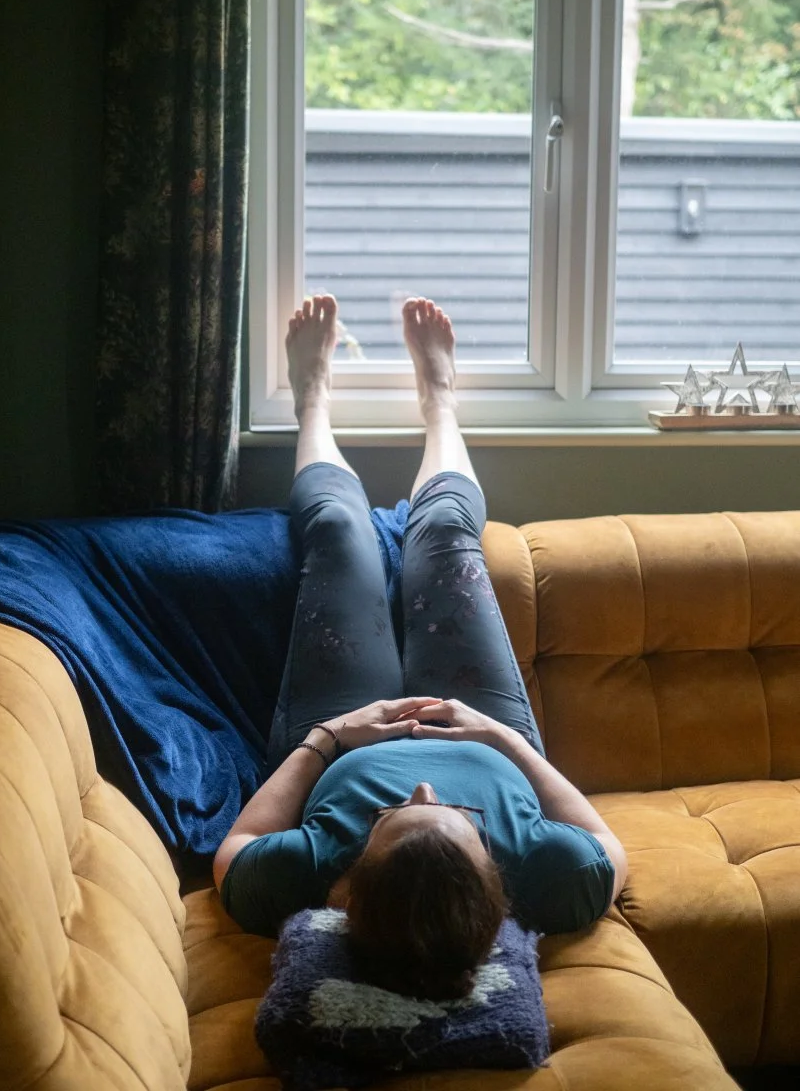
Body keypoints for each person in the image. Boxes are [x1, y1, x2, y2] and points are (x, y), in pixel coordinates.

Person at [213, 294, 627, 1000]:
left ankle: (312, 399)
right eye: (459, 818)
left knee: (337, 533)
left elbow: (234, 856)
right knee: (443, 535)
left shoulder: (310, 874)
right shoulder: (551, 876)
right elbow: (610, 851)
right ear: (495, 873)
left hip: (342, 734)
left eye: (392, 815)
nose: (426, 788)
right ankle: (441, 401)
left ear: (350, 882)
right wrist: (499, 738)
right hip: (484, 729)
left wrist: (330, 738)